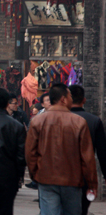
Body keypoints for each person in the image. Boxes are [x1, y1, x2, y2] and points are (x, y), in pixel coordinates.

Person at [26, 83, 97, 215]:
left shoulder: (37, 121)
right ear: (63, 99)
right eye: (70, 96)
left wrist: (35, 174)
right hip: (72, 179)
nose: (71, 99)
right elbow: (87, 157)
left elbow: (30, 152)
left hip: (46, 178)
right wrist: (92, 183)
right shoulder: (79, 122)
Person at [68, 85, 106, 215]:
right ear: (84, 100)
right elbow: (102, 152)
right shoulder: (94, 121)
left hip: (59, 174)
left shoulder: (55, 119)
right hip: (84, 175)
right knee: (81, 210)